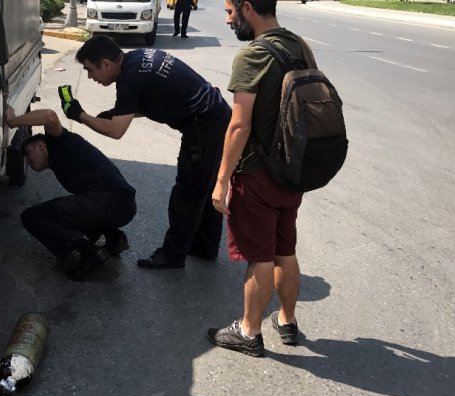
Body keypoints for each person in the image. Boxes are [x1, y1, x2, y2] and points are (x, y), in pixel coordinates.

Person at [64, 35, 231, 269]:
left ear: (106, 64)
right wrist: (118, 112)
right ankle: (204, 246)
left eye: (90, 70)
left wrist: (80, 116)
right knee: (203, 186)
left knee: (188, 191)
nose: (91, 77)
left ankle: (172, 255)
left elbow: (116, 131)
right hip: (215, 117)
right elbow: (151, 101)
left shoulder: (130, 78)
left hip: (204, 126)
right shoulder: (136, 59)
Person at [207, 0, 310, 356]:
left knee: (260, 257)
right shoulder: (301, 46)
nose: (227, 18)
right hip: (292, 173)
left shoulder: (253, 55)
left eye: (229, 10)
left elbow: (239, 125)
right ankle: (287, 320)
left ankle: (249, 332)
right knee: (286, 250)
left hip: (257, 176)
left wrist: (221, 181)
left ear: (247, 7)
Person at [5, 106, 137, 280]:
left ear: (42, 146)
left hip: (112, 201)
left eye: (28, 155)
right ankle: (114, 237)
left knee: (32, 216)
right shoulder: (59, 160)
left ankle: (91, 253)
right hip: (122, 205)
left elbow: (49, 116)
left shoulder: (58, 143)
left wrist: (13, 121)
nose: (28, 162)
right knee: (74, 207)